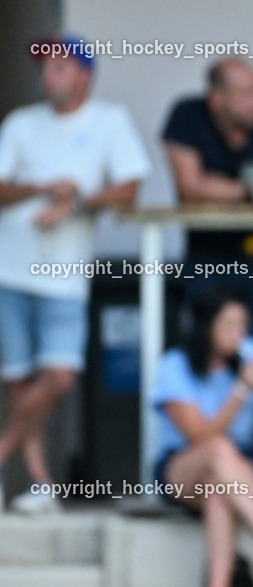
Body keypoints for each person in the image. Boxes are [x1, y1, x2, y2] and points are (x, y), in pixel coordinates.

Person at [0, 35, 150, 513]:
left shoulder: (109, 121)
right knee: (22, 383)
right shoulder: (21, 123)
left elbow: (128, 190)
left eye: (60, 66)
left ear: (85, 74)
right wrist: (46, 190)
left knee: (60, 376)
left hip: (64, 274)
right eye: (45, 66)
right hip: (11, 269)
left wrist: (78, 201)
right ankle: (41, 484)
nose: (49, 74)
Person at [151, 288, 253, 587]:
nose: (238, 333)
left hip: (237, 470)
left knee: (218, 488)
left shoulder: (252, 354)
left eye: (243, 325)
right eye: (229, 325)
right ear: (206, 326)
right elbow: (199, 436)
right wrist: (240, 390)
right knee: (218, 450)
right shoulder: (176, 365)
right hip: (183, 466)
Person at [163, 59, 253, 339]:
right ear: (217, 99)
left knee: (252, 347)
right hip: (209, 255)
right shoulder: (188, 115)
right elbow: (191, 188)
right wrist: (252, 191)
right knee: (206, 349)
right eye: (244, 95)